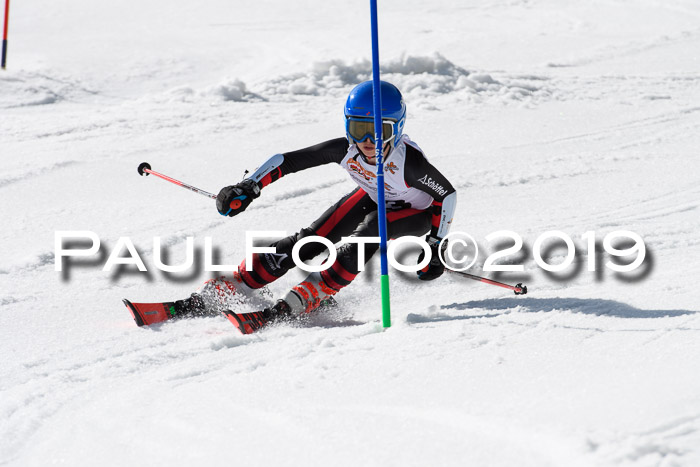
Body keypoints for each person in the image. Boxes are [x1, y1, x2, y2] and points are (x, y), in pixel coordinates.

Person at [185, 80, 457, 326]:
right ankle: (241, 283)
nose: (367, 141)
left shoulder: (410, 163)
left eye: (378, 131)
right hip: (374, 195)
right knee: (310, 240)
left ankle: (314, 292)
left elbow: (447, 195)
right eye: (359, 129)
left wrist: (436, 244)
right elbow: (288, 160)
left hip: (415, 212)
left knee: (367, 234)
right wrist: (249, 185)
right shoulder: (345, 150)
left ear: (397, 128)